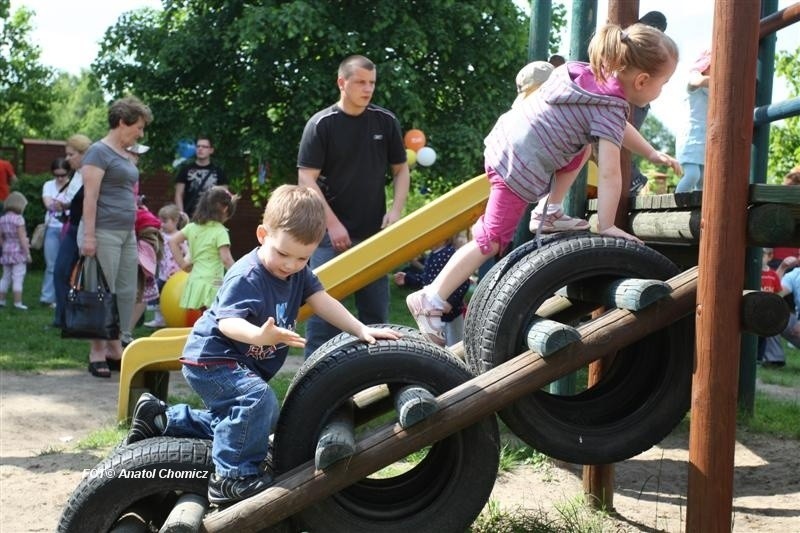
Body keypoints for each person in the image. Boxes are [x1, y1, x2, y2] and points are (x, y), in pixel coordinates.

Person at [123, 184, 402, 505]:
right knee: (257, 401)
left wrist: (360, 329)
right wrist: (259, 336)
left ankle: (161, 419)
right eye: (283, 253)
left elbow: (323, 301)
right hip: (212, 359)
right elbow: (226, 322)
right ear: (262, 235)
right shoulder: (247, 276)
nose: (290, 264)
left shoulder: (298, 272)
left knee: (246, 421)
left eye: (302, 257)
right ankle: (232, 477)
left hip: (235, 362)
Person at [407, 23, 682, 346]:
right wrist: (606, 224)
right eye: (664, 83)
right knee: (491, 238)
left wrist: (650, 152)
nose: (662, 91)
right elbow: (609, 172)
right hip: (518, 164)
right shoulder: (609, 104)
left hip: (509, 141)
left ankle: (548, 212)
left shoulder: (589, 79)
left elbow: (615, 128)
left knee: (579, 147)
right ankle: (431, 297)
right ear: (642, 80)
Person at [297, 54, 410, 358]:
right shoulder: (322, 124)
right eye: (360, 81)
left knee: (375, 316)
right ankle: (313, 389)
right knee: (323, 321)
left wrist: (396, 210)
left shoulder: (385, 121)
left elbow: (401, 170)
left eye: (372, 82)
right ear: (341, 82)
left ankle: (372, 382)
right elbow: (306, 178)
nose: (367, 88)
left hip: (374, 235)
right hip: (326, 238)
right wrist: (332, 224)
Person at [79, 95, 153, 378]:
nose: (141, 133)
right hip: (102, 232)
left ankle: (115, 346)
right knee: (100, 291)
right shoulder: (98, 152)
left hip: (126, 233)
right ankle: (97, 351)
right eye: (138, 127)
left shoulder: (125, 153)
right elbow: (90, 196)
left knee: (124, 292)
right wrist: (88, 237)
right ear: (122, 122)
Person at [168, 186, 236, 318]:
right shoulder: (220, 231)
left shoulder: (192, 227)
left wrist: (182, 264)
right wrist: (239, 274)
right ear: (225, 209)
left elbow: (173, 242)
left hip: (195, 282)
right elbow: (226, 259)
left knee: (200, 320)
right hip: (213, 283)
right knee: (215, 320)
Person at [393, 235, 470, 347]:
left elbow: (463, 280)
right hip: (434, 312)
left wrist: (451, 301)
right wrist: (407, 278)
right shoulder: (432, 255)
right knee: (439, 345)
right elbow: (427, 281)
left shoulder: (449, 253)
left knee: (457, 346)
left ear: (443, 236)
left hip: (451, 314)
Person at [53, 134, 92, 328]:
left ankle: (75, 318)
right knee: (60, 272)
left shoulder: (92, 173)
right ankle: (63, 317)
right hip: (73, 227)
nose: (67, 159)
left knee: (84, 276)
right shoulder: (77, 174)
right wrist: (65, 204)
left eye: (71, 154)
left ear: (84, 153)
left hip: (85, 229)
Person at [144, 204, 189, 328]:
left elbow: (188, 252)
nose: (162, 224)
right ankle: (159, 319)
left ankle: (173, 317)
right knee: (158, 297)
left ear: (175, 221)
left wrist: (185, 265)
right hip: (164, 274)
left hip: (176, 277)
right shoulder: (161, 235)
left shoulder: (180, 236)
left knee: (173, 299)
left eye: (165, 221)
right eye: (160, 221)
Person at [674, 49, 711, 193]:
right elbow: (697, 80)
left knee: (703, 179)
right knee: (692, 175)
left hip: (703, 139)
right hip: (691, 138)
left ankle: (697, 209)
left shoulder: (711, 91)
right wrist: (724, 77)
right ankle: (677, 204)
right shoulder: (694, 80)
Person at [39, 157, 72, 307]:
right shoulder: (48, 185)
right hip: (52, 226)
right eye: (56, 175)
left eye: (63, 175)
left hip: (68, 227)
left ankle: (63, 297)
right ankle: (47, 297)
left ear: (68, 173)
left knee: (66, 265)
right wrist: (62, 205)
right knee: (51, 264)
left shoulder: (74, 185)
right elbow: (48, 205)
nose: (59, 178)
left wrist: (59, 205)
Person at [173, 136, 228, 217]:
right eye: (198, 146)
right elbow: (178, 194)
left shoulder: (219, 172)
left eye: (204, 147)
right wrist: (182, 215)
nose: (200, 149)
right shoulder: (185, 170)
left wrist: (219, 215)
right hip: (190, 216)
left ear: (211, 150)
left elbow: (224, 196)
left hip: (211, 217)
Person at [0, 192, 32, 309]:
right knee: (18, 276)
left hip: (6, 250)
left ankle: (1, 301)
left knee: (5, 277)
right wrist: (27, 253)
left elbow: (0, 237)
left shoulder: (2, 219)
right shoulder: (19, 219)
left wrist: (5, 246)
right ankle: (17, 303)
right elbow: (22, 238)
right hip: (18, 251)